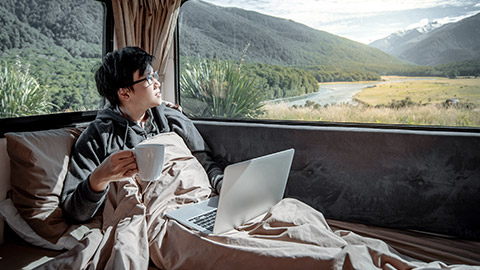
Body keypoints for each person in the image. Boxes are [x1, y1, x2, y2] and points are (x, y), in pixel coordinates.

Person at [61, 46, 223, 223]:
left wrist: (225, 188)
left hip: (203, 204)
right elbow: (74, 212)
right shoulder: (98, 136)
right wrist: (99, 178)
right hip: (155, 218)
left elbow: (205, 163)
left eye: (155, 75)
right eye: (148, 78)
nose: (157, 83)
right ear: (124, 93)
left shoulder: (172, 118)